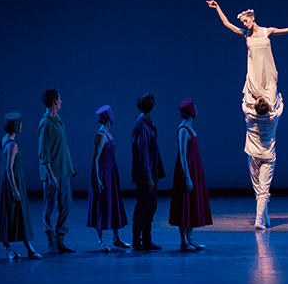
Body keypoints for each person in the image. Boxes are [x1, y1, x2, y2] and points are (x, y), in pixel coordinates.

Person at [206, 0, 288, 109]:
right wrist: (217, 7)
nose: (244, 24)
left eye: (246, 21)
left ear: (253, 18)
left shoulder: (267, 31)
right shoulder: (246, 34)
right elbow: (227, 23)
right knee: (254, 105)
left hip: (267, 72)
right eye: (243, 22)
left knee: (270, 105)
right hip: (254, 73)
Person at [0, 113, 42, 260]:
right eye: (20, 124)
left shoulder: (4, 140)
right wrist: (15, 190)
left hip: (4, 183)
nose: (21, 126)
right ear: (16, 126)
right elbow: (9, 168)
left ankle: (9, 249)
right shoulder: (12, 145)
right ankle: (30, 250)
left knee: (7, 215)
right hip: (12, 183)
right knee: (21, 216)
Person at [169, 99, 213, 250]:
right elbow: (182, 154)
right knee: (184, 204)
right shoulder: (182, 130)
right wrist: (187, 177)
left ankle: (190, 238)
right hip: (186, 170)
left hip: (195, 169)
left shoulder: (189, 128)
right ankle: (183, 240)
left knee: (192, 203)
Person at [87, 105, 130, 251]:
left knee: (113, 204)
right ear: (107, 118)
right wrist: (97, 178)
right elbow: (96, 159)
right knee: (101, 205)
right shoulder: (100, 135)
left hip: (111, 173)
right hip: (103, 174)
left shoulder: (108, 133)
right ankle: (100, 241)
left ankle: (116, 238)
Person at [38, 89, 75, 254]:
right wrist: (51, 175)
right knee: (50, 206)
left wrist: (69, 165)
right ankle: (51, 240)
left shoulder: (58, 120)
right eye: (59, 99)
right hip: (52, 173)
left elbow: (63, 146)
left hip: (63, 169)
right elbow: (44, 152)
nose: (61, 102)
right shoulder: (45, 123)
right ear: (54, 102)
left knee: (66, 204)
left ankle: (60, 238)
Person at [242, 94, 284, 230]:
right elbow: (280, 106)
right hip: (268, 156)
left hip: (254, 155)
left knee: (259, 189)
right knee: (263, 190)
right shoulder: (273, 118)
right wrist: (278, 98)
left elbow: (245, 101)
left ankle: (260, 219)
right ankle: (263, 218)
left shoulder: (250, 116)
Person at [131, 92, 165, 251]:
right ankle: (138, 240)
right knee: (145, 205)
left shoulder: (145, 122)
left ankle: (145, 239)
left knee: (149, 205)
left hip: (148, 172)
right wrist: (149, 176)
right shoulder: (142, 125)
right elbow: (143, 153)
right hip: (145, 174)